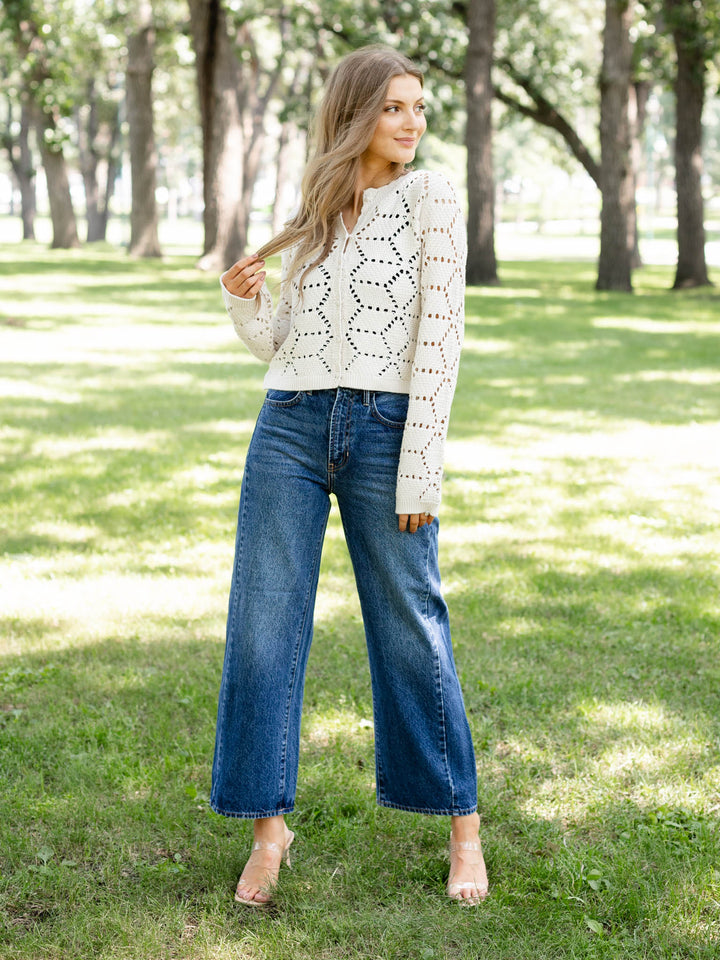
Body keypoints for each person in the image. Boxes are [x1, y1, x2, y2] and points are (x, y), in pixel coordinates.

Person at [211, 44, 488, 907]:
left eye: (418, 107)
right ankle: (268, 831)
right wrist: (246, 300)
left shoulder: (432, 197)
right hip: (289, 425)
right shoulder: (320, 203)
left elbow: (441, 337)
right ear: (356, 112)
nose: (411, 122)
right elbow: (281, 341)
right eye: (394, 107)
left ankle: (464, 830)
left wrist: (421, 468)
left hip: (385, 429)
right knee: (262, 625)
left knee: (412, 624)